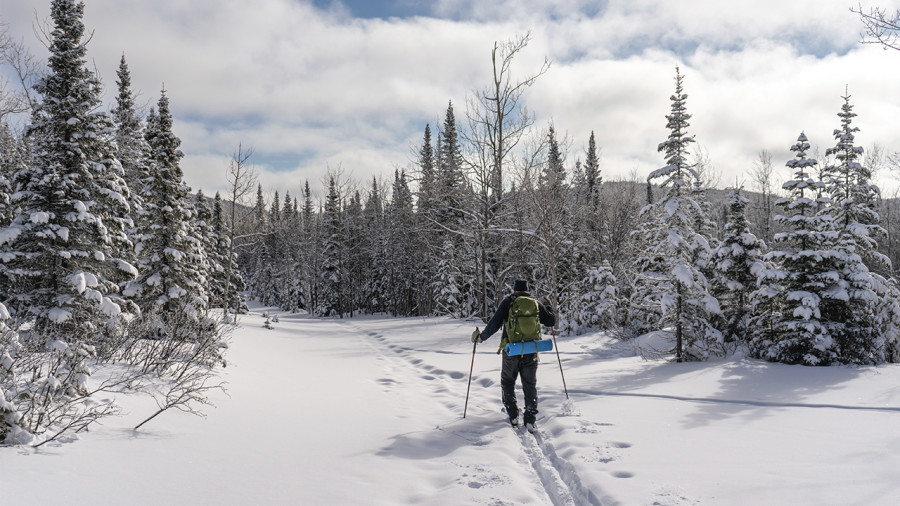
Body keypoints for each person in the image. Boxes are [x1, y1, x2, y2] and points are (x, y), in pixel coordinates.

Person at [471, 279, 555, 429]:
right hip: (531, 349)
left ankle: (513, 415)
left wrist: (481, 337)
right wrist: (548, 307)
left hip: (511, 350)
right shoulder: (535, 303)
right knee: (530, 384)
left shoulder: (508, 302)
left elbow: (495, 323)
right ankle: (530, 418)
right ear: (527, 290)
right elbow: (550, 321)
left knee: (508, 382)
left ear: (515, 290)